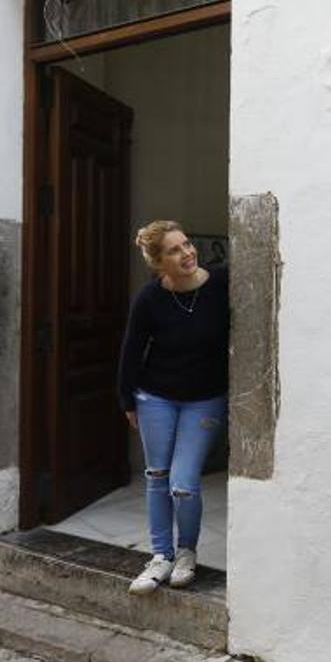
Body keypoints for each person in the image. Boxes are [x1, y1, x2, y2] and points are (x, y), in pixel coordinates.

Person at [116, 221, 229, 594]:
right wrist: (127, 399)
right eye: (175, 250)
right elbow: (131, 352)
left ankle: (186, 552)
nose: (187, 253)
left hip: (205, 399)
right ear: (159, 262)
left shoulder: (222, 283)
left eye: (187, 244)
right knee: (157, 477)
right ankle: (160, 556)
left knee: (183, 484)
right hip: (156, 398)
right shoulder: (150, 299)